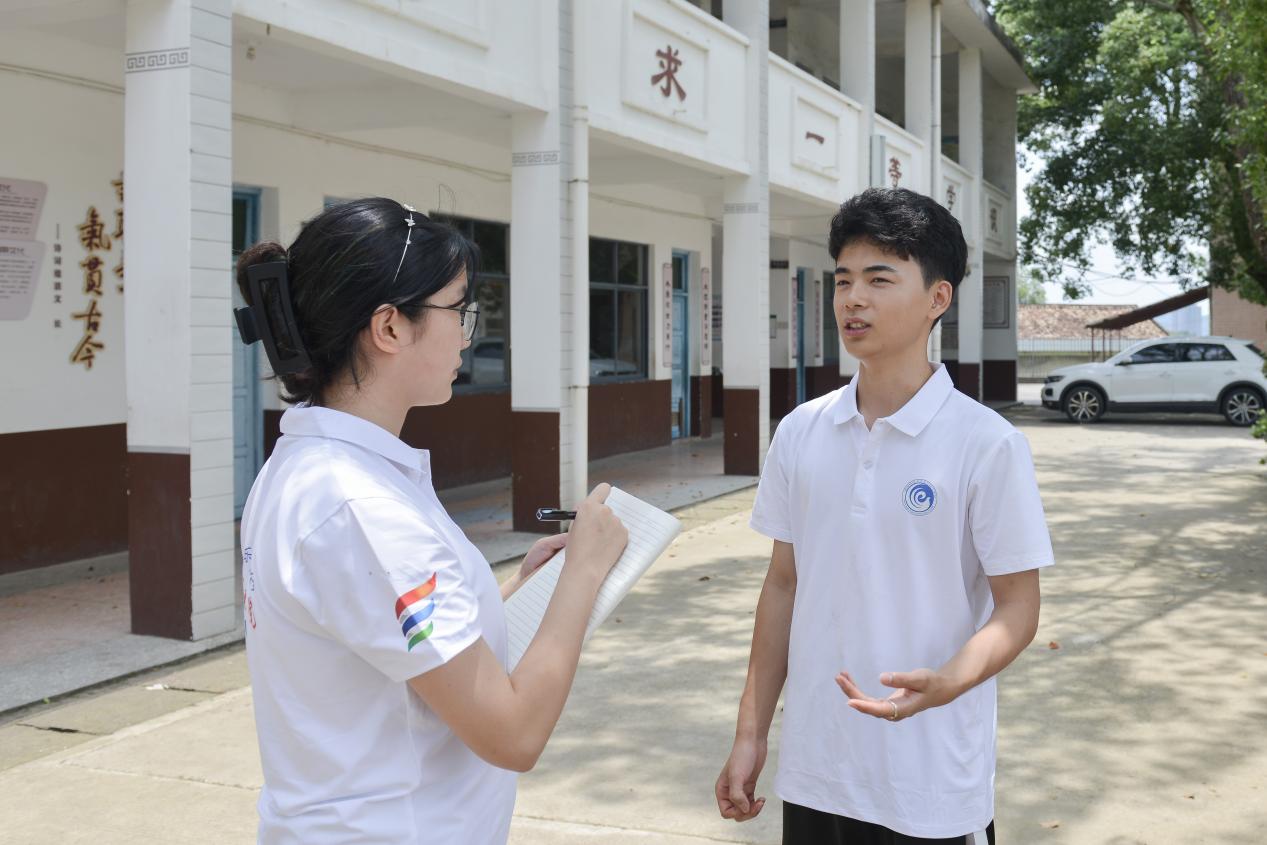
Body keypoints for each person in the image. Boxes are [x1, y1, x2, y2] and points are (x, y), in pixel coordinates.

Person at [234, 197, 628, 844]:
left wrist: (514, 593)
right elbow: (513, 732)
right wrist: (582, 574)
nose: (466, 335)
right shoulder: (360, 507)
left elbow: (385, 634)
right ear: (389, 327)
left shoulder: (311, 468)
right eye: (458, 310)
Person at [715, 188, 1054, 844]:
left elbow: (1018, 608)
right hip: (817, 769)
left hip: (929, 781)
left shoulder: (985, 443)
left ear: (937, 298)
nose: (853, 299)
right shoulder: (801, 430)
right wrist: (750, 732)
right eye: (843, 280)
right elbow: (783, 585)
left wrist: (951, 678)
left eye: (878, 278)